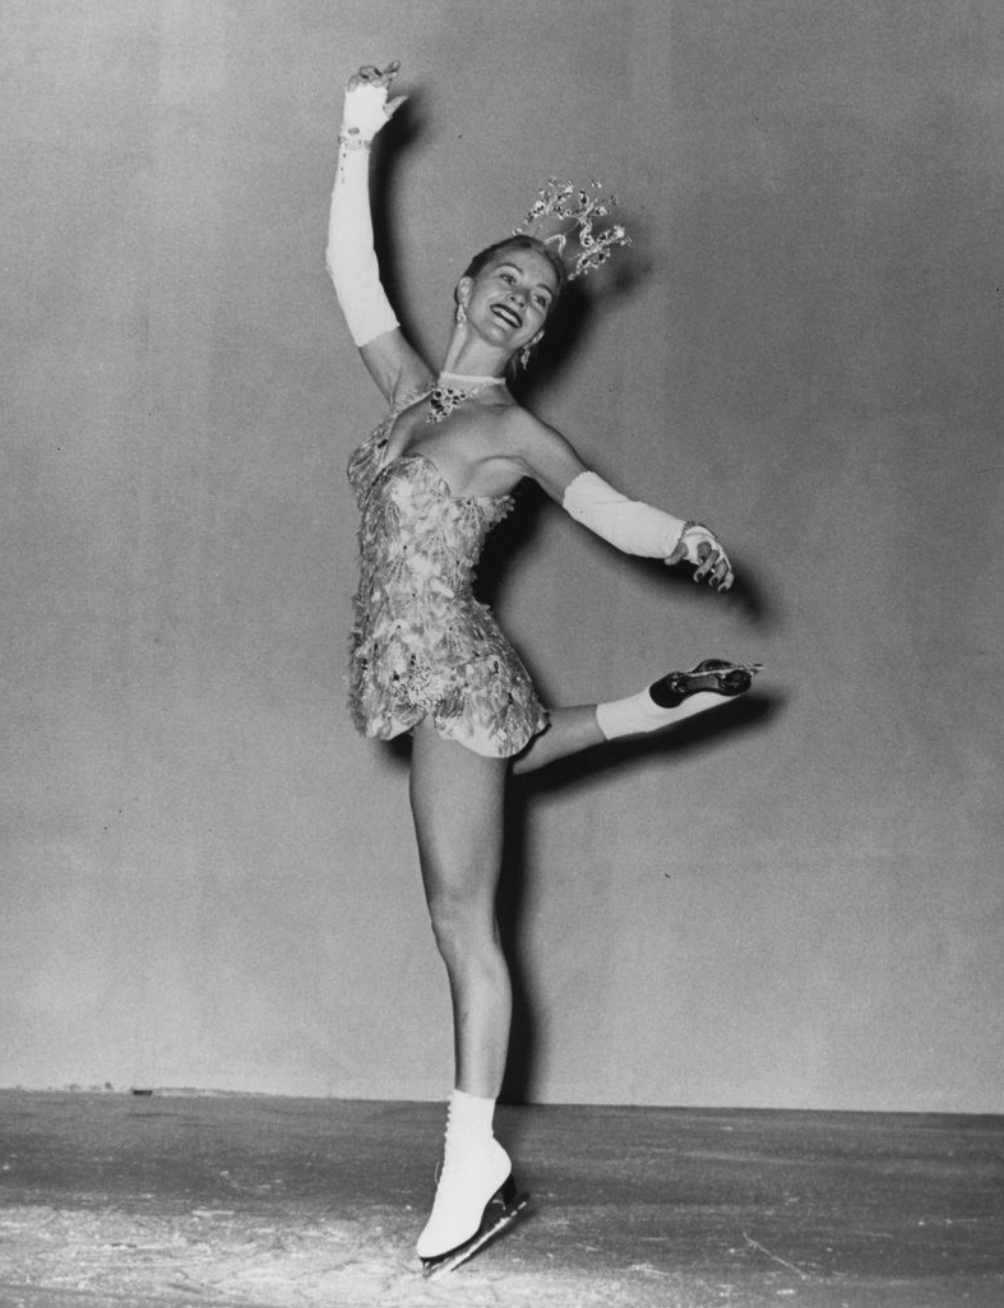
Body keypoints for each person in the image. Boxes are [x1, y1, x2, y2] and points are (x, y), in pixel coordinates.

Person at [326, 60, 760, 1275]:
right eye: (508, 281)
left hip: (450, 669)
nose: (523, 300)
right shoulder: (410, 394)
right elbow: (351, 274)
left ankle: (472, 1164)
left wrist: (677, 537)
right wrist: (356, 140)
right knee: (503, 772)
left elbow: (601, 504)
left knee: (460, 919)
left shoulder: (509, 430)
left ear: (539, 333)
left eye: (542, 299)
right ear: (463, 290)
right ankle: (653, 707)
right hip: (439, 675)